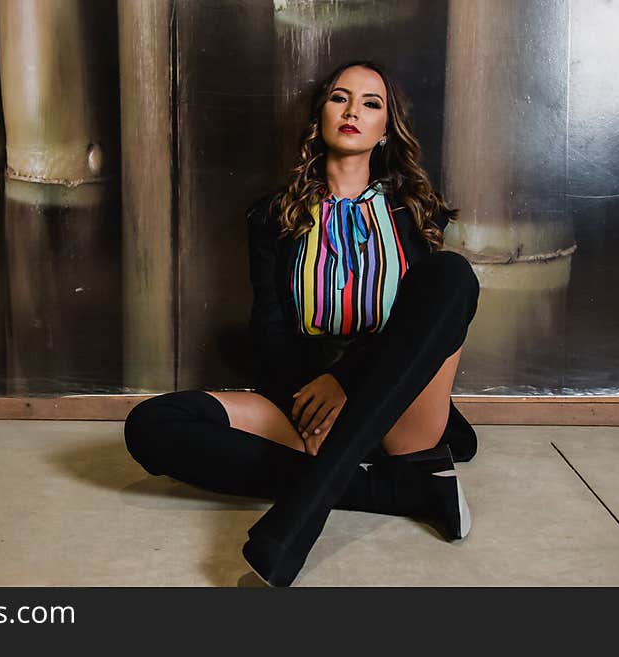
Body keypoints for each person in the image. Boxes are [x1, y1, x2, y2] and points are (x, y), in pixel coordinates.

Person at [124, 59, 480, 586]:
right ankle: (398, 488)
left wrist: (345, 384)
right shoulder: (273, 217)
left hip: (399, 403)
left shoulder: (414, 213)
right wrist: (311, 407)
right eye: (340, 98)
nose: (353, 110)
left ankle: (302, 514)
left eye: (371, 103)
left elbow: (423, 326)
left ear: (386, 131)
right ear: (320, 118)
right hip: (304, 392)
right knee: (151, 426)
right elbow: (269, 332)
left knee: (451, 275)